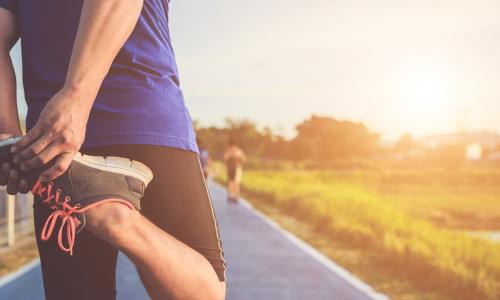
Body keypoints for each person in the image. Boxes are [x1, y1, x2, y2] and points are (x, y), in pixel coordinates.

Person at [0, 1, 226, 299]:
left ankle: (94, 206)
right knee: (205, 291)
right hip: (140, 114)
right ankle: (111, 216)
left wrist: (8, 136)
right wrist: (75, 99)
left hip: (53, 141)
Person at [223, 140, 246, 204]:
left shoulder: (237, 151)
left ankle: (234, 197)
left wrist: (237, 157)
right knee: (232, 182)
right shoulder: (230, 151)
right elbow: (225, 159)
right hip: (231, 169)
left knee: (235, 183)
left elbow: (243, 159)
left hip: (236, 169)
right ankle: (232, 196)